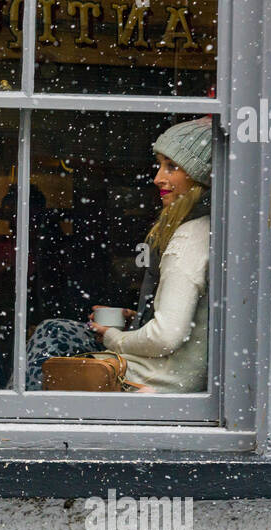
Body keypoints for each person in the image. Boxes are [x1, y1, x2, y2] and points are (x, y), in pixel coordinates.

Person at [23, 117, 213, 393]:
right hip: (167, 376)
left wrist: (114, 337)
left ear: (199, 177)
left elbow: (165, 337)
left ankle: (25, 418)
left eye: (172, 167)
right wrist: (135, 318)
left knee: (52, 335)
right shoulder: (209, 230)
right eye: (160, 164)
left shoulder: (190, 236)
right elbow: (186, 324)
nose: (158, 177)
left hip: (150, 382)